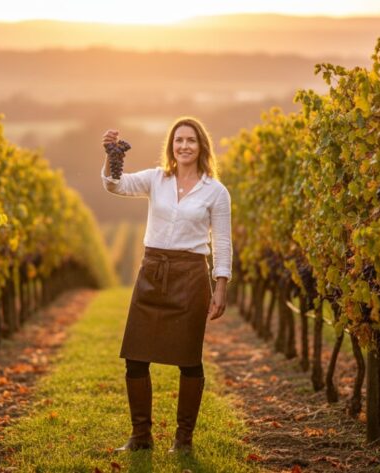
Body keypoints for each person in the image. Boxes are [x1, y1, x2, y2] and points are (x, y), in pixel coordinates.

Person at [100, 117, 232, 454]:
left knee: (188, 360)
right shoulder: (156, 179)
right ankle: (140, 436)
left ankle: (183, 440)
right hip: (152, 272)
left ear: (201, 146)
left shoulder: (216, 191)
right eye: (179, 140)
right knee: (135, 358)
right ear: (171, 146)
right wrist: (112, 155)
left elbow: (222, 242)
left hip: (190, 277)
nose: (184, 146)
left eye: (191, 140)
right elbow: (115, 185)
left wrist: (220, 286)